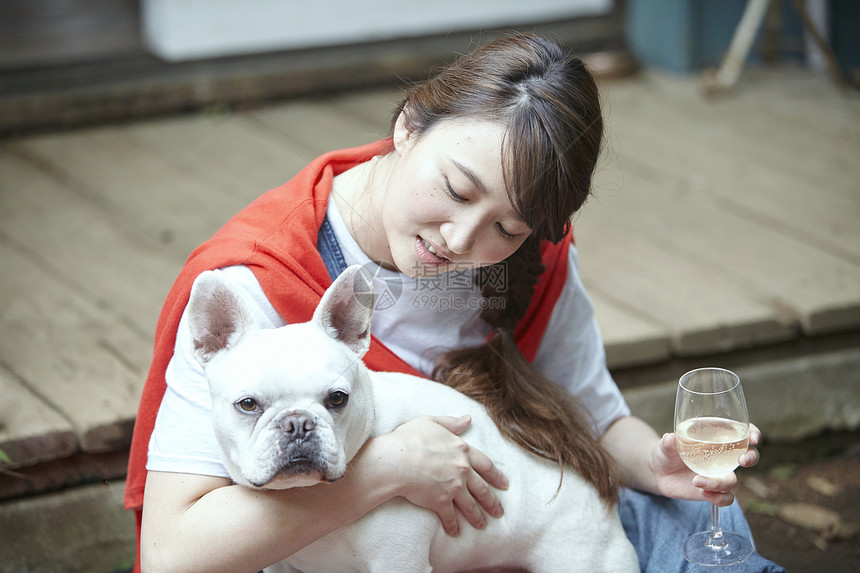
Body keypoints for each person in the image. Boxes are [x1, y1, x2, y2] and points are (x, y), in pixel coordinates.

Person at [125, 34, 785, 573]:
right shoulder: (251, 281)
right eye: (457, 189)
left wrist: (655, 465)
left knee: (702, 528)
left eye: (507, 226)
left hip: (512, 522)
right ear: (409, 126)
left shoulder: (529, 261)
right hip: (332, 549)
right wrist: (391, 467)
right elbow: (170, 553)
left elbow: (592, 417)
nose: (462, 238)